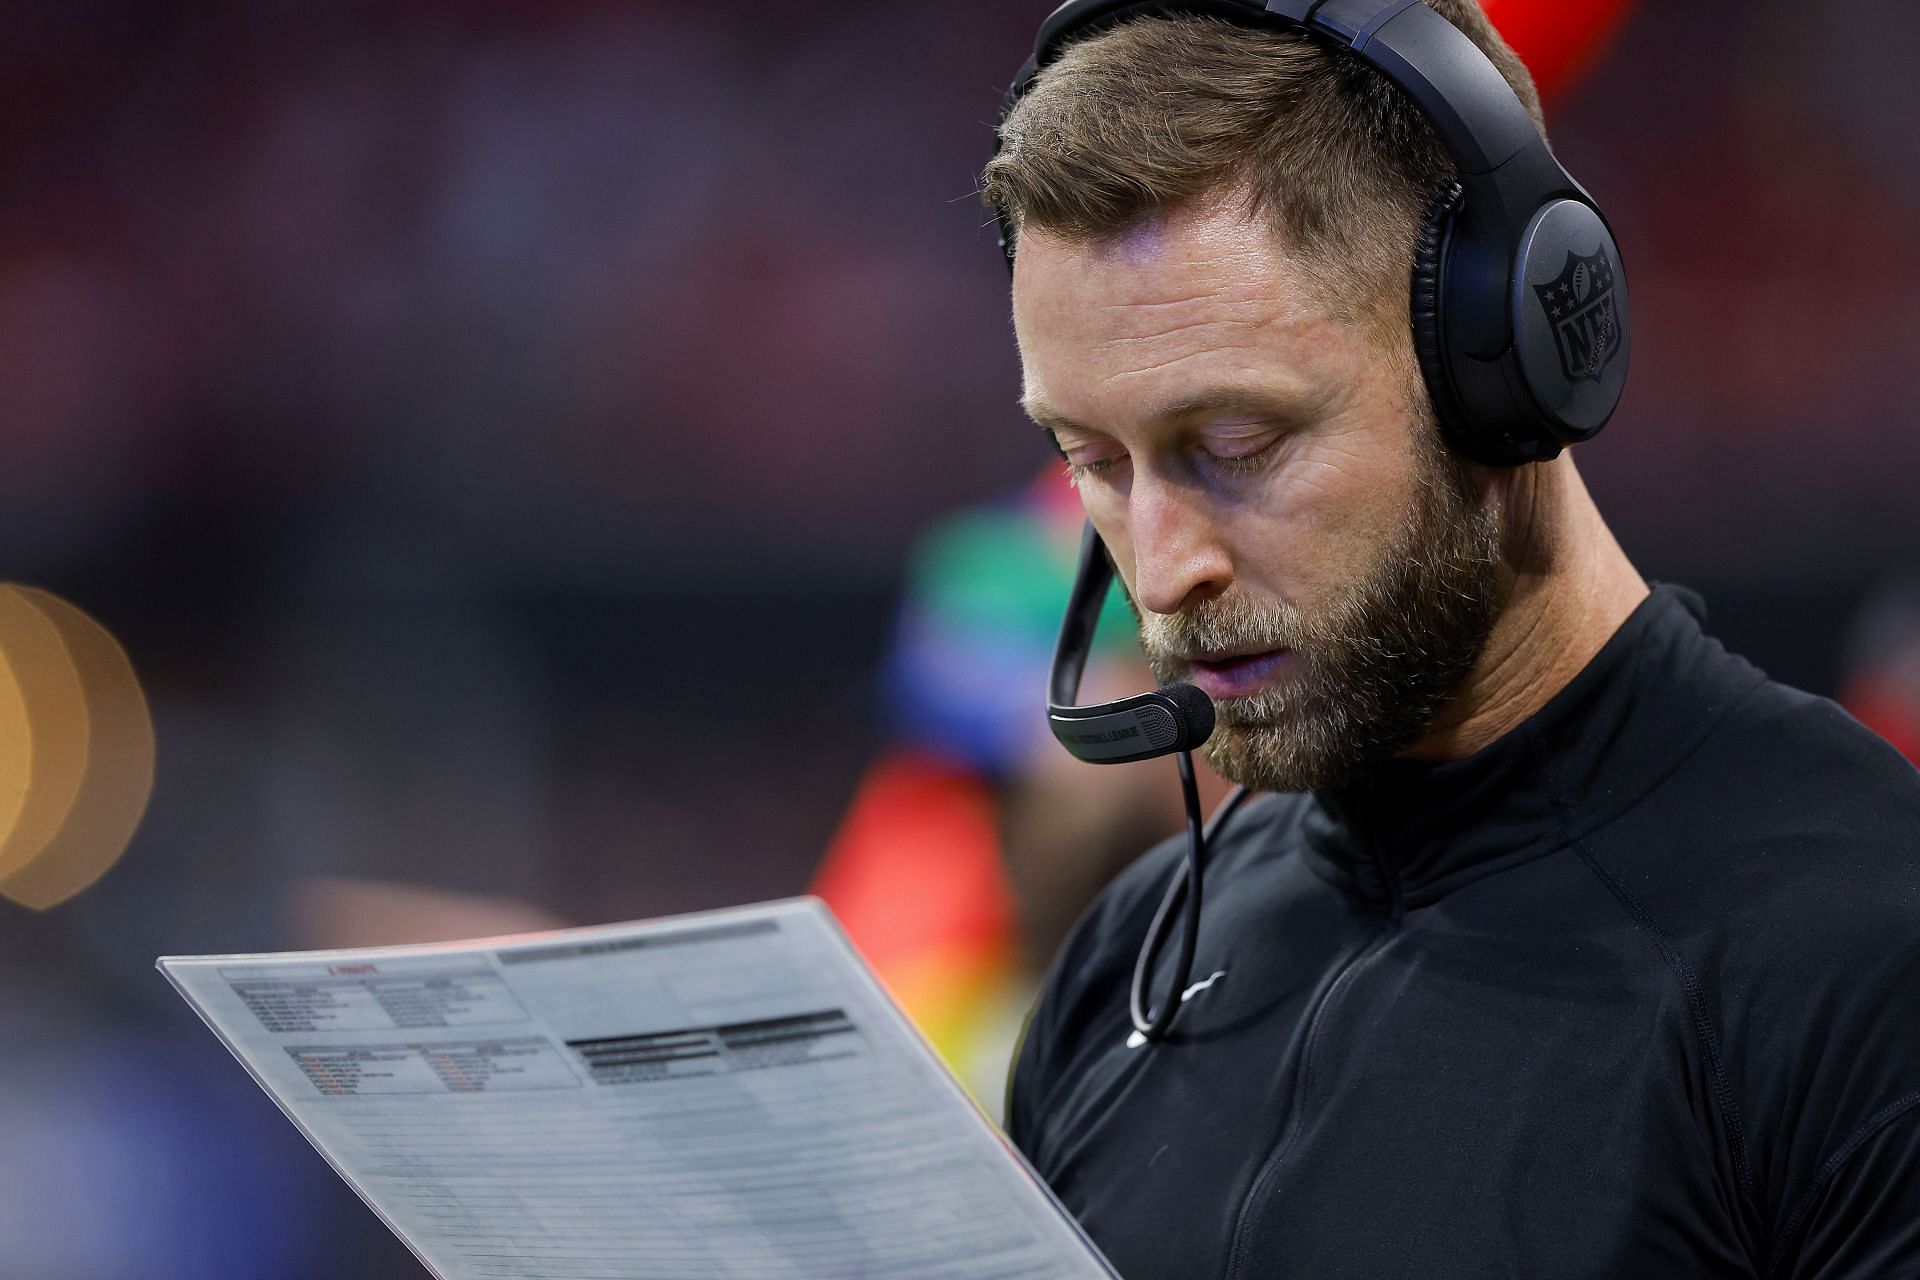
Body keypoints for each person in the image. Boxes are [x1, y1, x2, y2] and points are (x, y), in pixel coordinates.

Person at [979, 2, 1920, 1277]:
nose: (1161, 568)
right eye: (1091, 460)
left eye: (1238, 445)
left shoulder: (1868, 947)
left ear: (1510, 362)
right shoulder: (1124, 966)